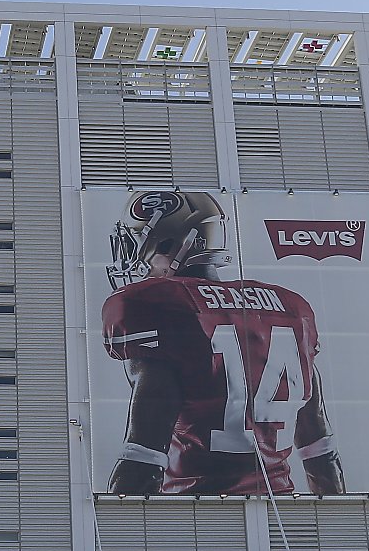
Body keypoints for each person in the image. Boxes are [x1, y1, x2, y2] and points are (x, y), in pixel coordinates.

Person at [99, 191, 345, 497]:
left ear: (169, 245)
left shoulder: (157, 305)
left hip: (197, 514)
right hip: (277, 504)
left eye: (137, 243)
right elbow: (320, 449)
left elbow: (143, 457)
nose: (132, 257)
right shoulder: (291, 307)